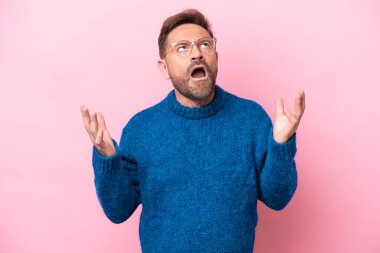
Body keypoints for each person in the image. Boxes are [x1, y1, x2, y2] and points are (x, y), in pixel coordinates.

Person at [80, 8, 306, 253]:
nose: (197, 53)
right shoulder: (141, 129)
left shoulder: (251, 119)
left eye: (205, 45)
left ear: (216, 57)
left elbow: (278, 198)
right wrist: (107, 158)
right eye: (182, 47)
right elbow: (118, 210)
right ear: (164, 67)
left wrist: (281, 145)